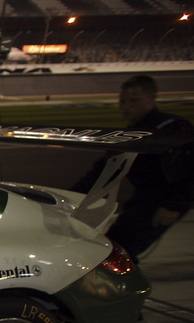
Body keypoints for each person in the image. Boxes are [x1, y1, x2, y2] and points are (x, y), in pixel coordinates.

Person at [78, 75, 194, 261]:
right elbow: (105, 170)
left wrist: (174, 205)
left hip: (162, 199)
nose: (126, 106)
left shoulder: (171, 128)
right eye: (123, 101)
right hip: (145, 197)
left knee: (119, 249)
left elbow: (190, 168)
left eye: (134, 101)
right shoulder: (134, 132)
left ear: (151, 98)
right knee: (116, 246)